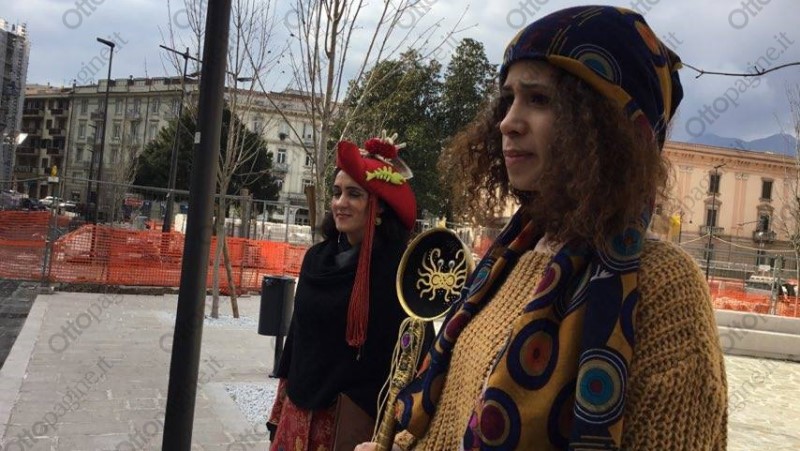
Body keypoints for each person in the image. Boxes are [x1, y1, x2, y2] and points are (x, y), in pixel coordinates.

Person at [357, 5, 727, 451]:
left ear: (607, 127)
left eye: (539, 99)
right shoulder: (511, 257)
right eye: (508, 99)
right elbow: (449, 421)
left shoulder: (664, 287)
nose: (507, 122)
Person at [268, 133, 418, 450]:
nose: (340, 203)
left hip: (352, 426)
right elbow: (298, 337)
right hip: (297, 414)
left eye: (354, 194)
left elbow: (408, 357)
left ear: (379, 207)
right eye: (337, 193)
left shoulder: (399, 272)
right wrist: (280, 409)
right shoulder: (315, 259)